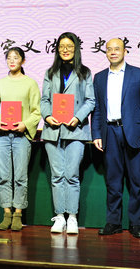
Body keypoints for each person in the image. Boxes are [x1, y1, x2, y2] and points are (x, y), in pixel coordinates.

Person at [92, 38, 140, 239]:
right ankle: (113, 222)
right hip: (109, 132)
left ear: (125, 51)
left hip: (134, 133)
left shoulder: (139, 74)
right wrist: (96, 134)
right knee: (113, 181)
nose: (113, 52)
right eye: (109, 49)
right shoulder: (99, 77)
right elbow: (97, 108)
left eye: (117, 49)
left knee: (137, 181)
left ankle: (136, 223)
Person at [41, 32, 95, 235]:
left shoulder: (85, 72)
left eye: (69, 46)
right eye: (62, 46)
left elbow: (90, 100)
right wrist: (47, 116)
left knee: (71, 175)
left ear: (76, 49)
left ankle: (72, 216)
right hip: (53, 131)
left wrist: (78, 118)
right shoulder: (50, 72)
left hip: (76, 130)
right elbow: (44, 100)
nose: (65, 50)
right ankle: (59, 216)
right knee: (57, 176)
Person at [0, 47, 41, 232]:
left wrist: (25, 124)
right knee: (3, 176)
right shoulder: (0, 83)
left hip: (21, 136)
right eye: (9, 58)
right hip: (2, 136)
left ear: (23, 61)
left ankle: (18, 214)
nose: (12, 61)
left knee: (20, 176)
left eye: (16, 58)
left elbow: (37, 112)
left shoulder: (30, 83)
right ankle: (6, 213)